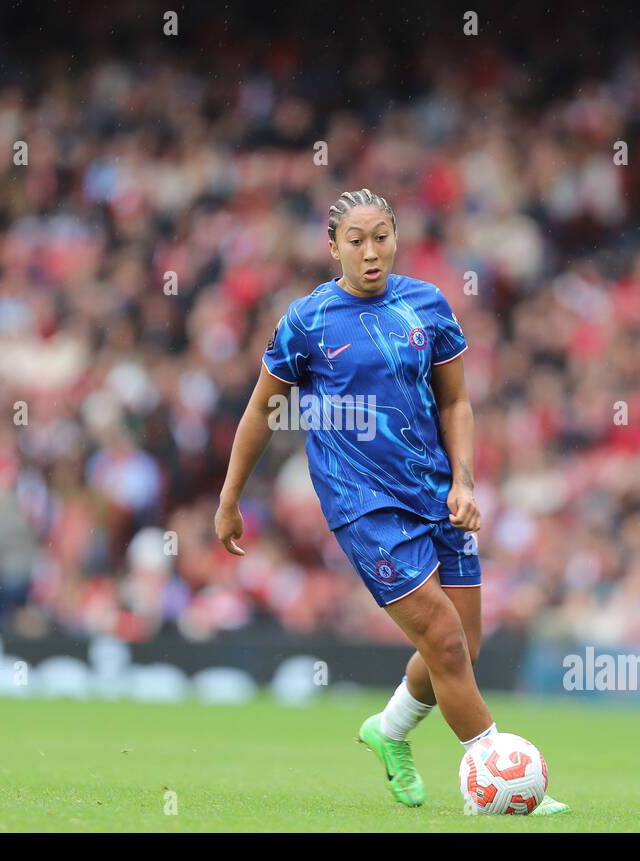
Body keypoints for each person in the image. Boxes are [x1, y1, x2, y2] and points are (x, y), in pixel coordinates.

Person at [216, 188, 568, 814]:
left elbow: (456, 402)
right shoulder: (308, 321)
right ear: (332, 248)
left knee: (464, 645)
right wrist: (230, 496)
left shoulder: (428, 305)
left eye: (381, 236)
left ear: (396, 238)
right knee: (444, 638)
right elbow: (263, 410)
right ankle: (504, 779)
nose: (370, 251)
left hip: (435, 489)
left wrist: (463, 480)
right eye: (356, 240)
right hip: (361, 502)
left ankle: (389, 729)